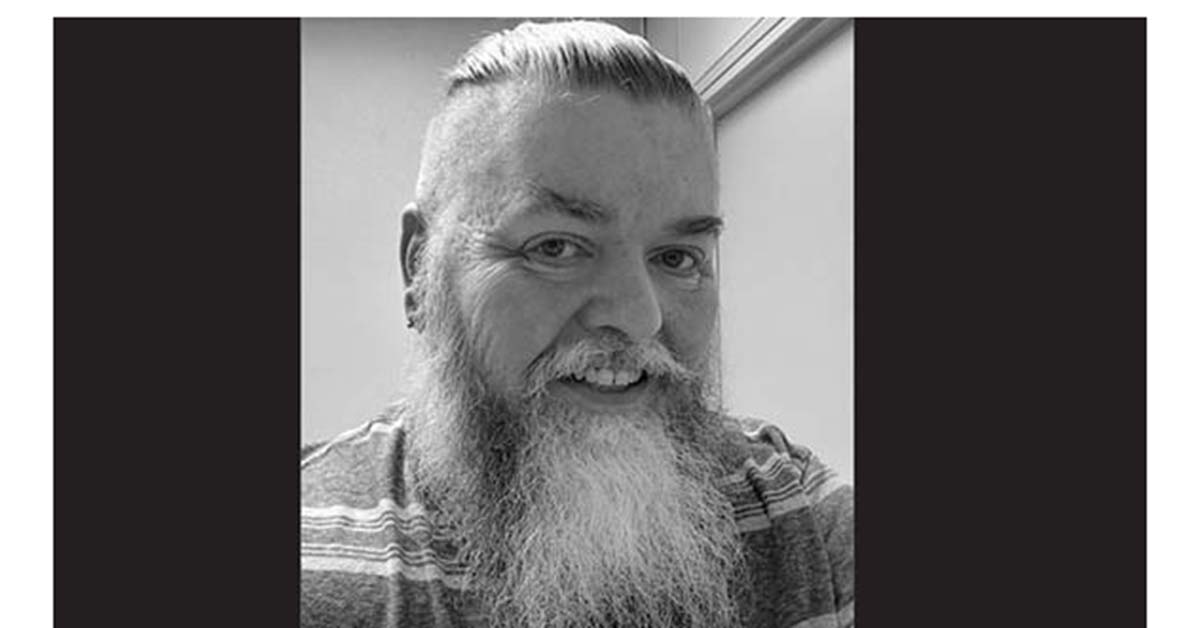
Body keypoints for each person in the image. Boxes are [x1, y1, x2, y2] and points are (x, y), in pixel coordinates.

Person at [301, 20, 853, 628]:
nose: (639, 318)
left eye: (677, 258)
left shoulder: (802, 518)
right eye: (556, 248)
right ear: (419, 269)